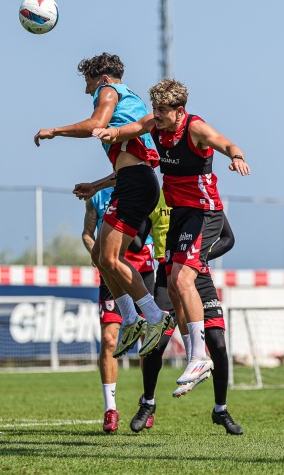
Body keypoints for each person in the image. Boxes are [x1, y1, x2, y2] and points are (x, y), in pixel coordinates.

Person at [93, 78, 250, 395]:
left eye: (162, 110)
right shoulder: (155, 124)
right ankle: (195, 358)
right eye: (154, 108)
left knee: (180, 280)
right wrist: (111, 133)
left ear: (180, 111)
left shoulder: (196, 129)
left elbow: (227, 144)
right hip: (179, 211)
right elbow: (134, 128)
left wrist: (236, 158)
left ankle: (199, 357)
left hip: (204, 212)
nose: (157, 114)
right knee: (176, 287)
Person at [35, 52, 172, 360]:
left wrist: (55, 131)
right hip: (134, 180)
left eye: (89, 81)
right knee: (100, 255)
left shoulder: (108, 92)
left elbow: (96, 124)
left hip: (136, 183)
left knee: (109, 257)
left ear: (103, 79)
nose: (87, 89)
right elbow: (131, 162)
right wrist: (95, 186)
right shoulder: (129, 100)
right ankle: (132, 319)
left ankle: (153, 316)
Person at [131, 211, 244, 435]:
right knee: (156, 343)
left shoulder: (203, 200)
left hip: (199, 276)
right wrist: (122, 221)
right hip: (166, 278)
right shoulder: (159, 198)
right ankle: (148, 403)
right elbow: (136, 244)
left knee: (218, 343)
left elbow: (228, 238)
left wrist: (200, 256)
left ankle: (220, 409)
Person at [82, 185, 156, 433]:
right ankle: (110, 409)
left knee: (149, 339)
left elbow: (155, 227)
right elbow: (86, 233)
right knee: (108, 340)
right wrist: (95, 251)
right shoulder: (98, 197)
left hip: (142, 271)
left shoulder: (144, 189)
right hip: (110, 272)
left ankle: (148, 400)